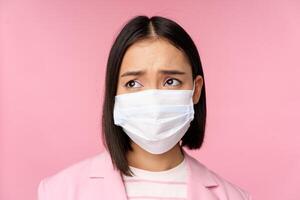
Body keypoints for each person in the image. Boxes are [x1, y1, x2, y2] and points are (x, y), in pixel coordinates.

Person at [38, 15, 252, 200]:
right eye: (133, 83)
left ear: (195, 90)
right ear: (115, 94)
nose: (154, 101)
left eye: (171, 81)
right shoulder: (59, 191)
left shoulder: (232, 197)